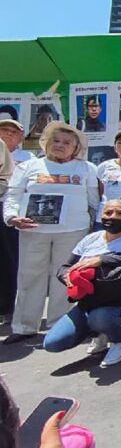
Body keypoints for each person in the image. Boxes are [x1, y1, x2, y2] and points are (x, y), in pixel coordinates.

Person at [3, 122, 99, 344]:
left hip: (73, 231)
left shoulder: (86, 169)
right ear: (46, 143)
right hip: (33, 230)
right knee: (29, 277)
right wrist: (11, 217)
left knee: (65, 277)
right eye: (55, 141)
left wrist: (95, 227)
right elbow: (13, 194)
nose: (60, 146)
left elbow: (94, 201)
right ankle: (25, 326)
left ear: (75, 148)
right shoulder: (28, 167)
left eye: (66, 143)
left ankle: (60, 324)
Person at [43, 199, 121, 367]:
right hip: (89, 301)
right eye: (108, 213)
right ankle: (99, 333)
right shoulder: (90, 239)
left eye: (120, 213)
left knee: (100, 316)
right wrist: (69, 278)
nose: (113, 217)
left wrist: (102, 260)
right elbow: (65, 267)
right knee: (53, 343)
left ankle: (118, 341)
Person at [0, 116, 31, 323]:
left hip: (10, 209)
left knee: (7, 259)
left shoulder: (29, 156)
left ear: (20, 137)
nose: (8, 133)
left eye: (13, 131)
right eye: (4, 129)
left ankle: (5, 307)